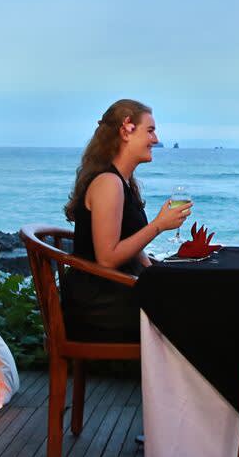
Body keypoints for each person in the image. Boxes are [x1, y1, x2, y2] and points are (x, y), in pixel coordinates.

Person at [59, 99, 191, 340]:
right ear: (125, 132)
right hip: (100, 304)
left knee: (191, 298)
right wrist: (159, 225)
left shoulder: (124, 181)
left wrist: (157, 274)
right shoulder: (109, 183)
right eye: (150, 131)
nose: (156, 139)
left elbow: (131, 244)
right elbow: (107, 259)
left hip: (118, 290)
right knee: (195, 314)